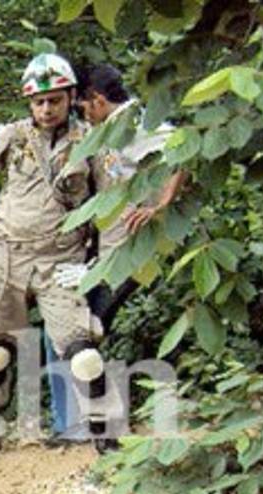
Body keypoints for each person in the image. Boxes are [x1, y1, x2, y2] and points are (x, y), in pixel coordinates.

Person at [0, 53, 103, 465]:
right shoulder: (13, 136)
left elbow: (108, 203)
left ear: (70, 97)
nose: (46, 109)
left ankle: (107, 443)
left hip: (62, 258)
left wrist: (98, 261)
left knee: (84, 353)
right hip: (9, 254)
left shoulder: (91, 141)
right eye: (39, 102)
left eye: (54, 100)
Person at [56, 64, 188, 336]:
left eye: (83, 107)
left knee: (86, 333)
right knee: (74, 327)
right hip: (108, 249)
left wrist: (160, 206)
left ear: (98, 100)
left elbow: (182, 153)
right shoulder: (107, 127)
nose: (84, 115)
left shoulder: (136, 124)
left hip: (131, 248)